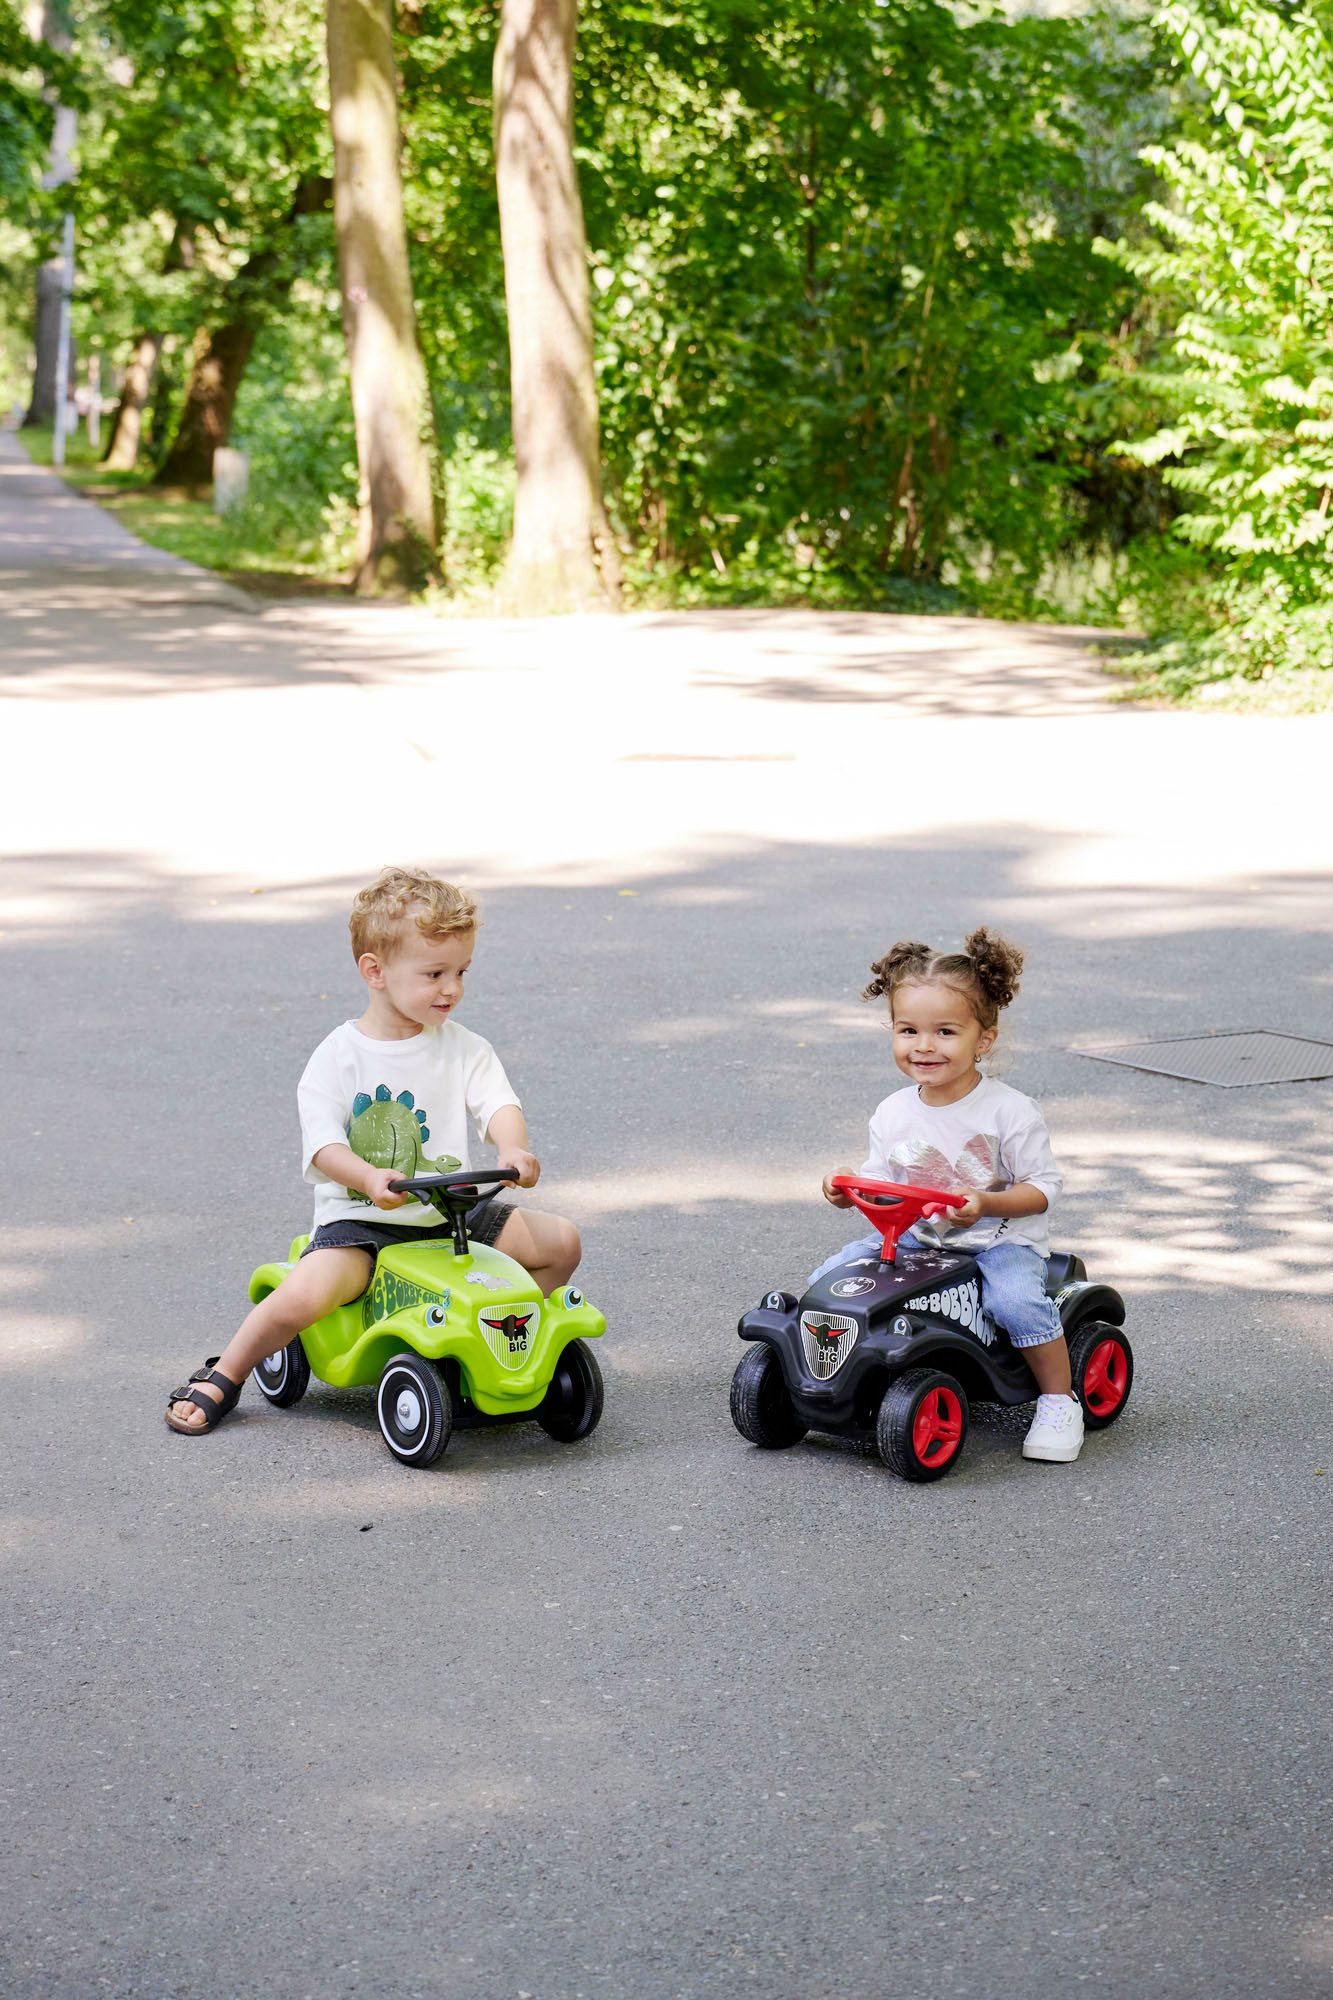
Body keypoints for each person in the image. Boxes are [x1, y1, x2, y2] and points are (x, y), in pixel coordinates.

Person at [166, 866, 581, 1435]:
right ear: (375, 971)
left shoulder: (464, 1049)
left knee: (561, 1242)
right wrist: (365, 1177)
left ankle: (500, 1343)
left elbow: (498, 1105)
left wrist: (515, 1148)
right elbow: (323, 1146)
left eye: (461, 971)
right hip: (366, 1222)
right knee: (305, 1294)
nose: (452, 988)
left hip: (452, 1212)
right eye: (434, 973)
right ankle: (229, 1372)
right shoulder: (339, 1056)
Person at [813, 929, 1084, 1464]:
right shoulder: (892, 1111)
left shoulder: (1008, 1111)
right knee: (832, 1279)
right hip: (915, 1240)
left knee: (1013, 1301)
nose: (924, 1046)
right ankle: (844, 1377)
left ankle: (1058, 1399)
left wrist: (986, 1204)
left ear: (983, 1038)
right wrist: (847, 1190)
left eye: (945, 1032)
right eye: (908, 1030)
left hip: (998, 1243)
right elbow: (881, 1180)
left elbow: (1042, 1190)